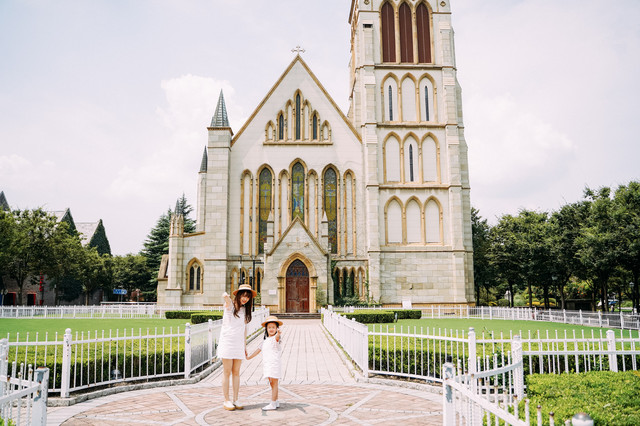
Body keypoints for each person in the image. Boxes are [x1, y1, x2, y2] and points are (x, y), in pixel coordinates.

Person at [218, 283, 256, 411]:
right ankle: (226, 400)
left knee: (236, 372)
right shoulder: (230, 306)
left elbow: (244, 330)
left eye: (248, 297)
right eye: (243, 295)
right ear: (238, 295)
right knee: (227, 371)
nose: (245, 299)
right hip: (228, 342)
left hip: (238, 344)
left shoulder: (245, 311)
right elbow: (227, 300)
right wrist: (226, 296)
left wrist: (244, 346)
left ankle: (236, 398)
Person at [246, 315, 283, 411]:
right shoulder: (265, 341)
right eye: (269, 327)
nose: (271, 329)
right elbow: (258, 350)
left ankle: (273, 403)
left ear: (277, 328)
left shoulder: (275, 339)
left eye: (273, 327)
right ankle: (276, 400)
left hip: (274, 364)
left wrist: (278, 334)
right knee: (271, 383)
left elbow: (277, 338)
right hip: (267, 365)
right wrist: (249, 357)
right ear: (266, 329)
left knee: (274, 383)